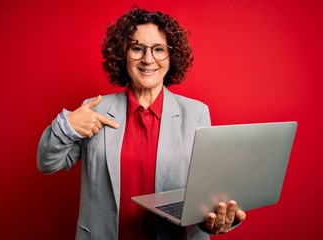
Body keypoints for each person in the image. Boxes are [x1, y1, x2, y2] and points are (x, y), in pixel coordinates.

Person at [37, 7, 246, 240]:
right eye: (137, 48)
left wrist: (216, 220)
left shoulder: (196, 113)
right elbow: (48, 163)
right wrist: (67, 126)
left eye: (158, 49)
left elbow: (209, 191)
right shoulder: (95, 109)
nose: (148, 59)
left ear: (171, 56)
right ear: (122, 54)